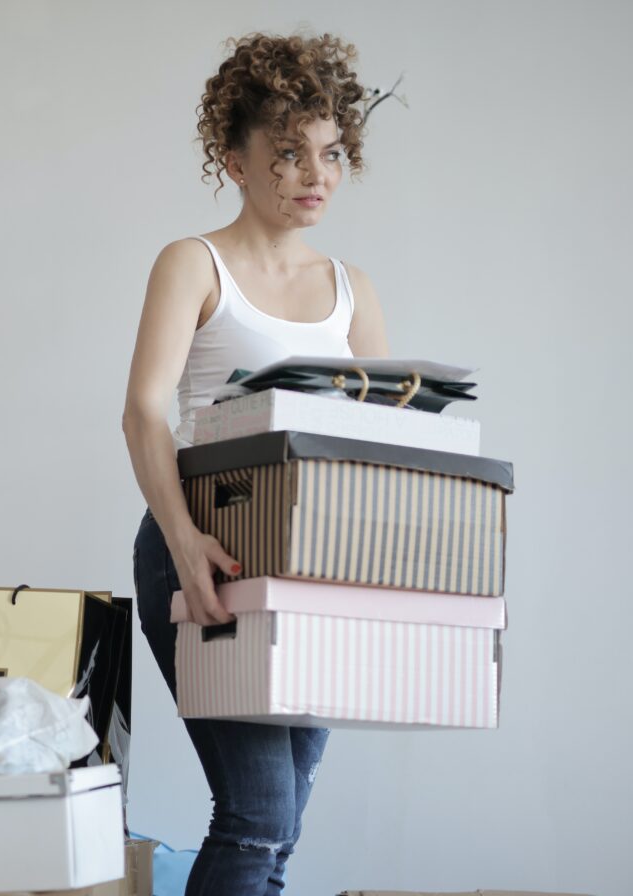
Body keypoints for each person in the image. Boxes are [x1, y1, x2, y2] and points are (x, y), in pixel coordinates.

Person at [121, 32, 390, 896]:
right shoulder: (193, 263)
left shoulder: (353, 289)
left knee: (282, 823)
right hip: (205, 545)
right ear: (234, 162)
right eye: (286, 155)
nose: (315, 174)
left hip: (313, 564)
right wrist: (184, 539)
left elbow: (380, 444)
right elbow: (143, 414)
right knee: (258, 813)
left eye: (331, 152)